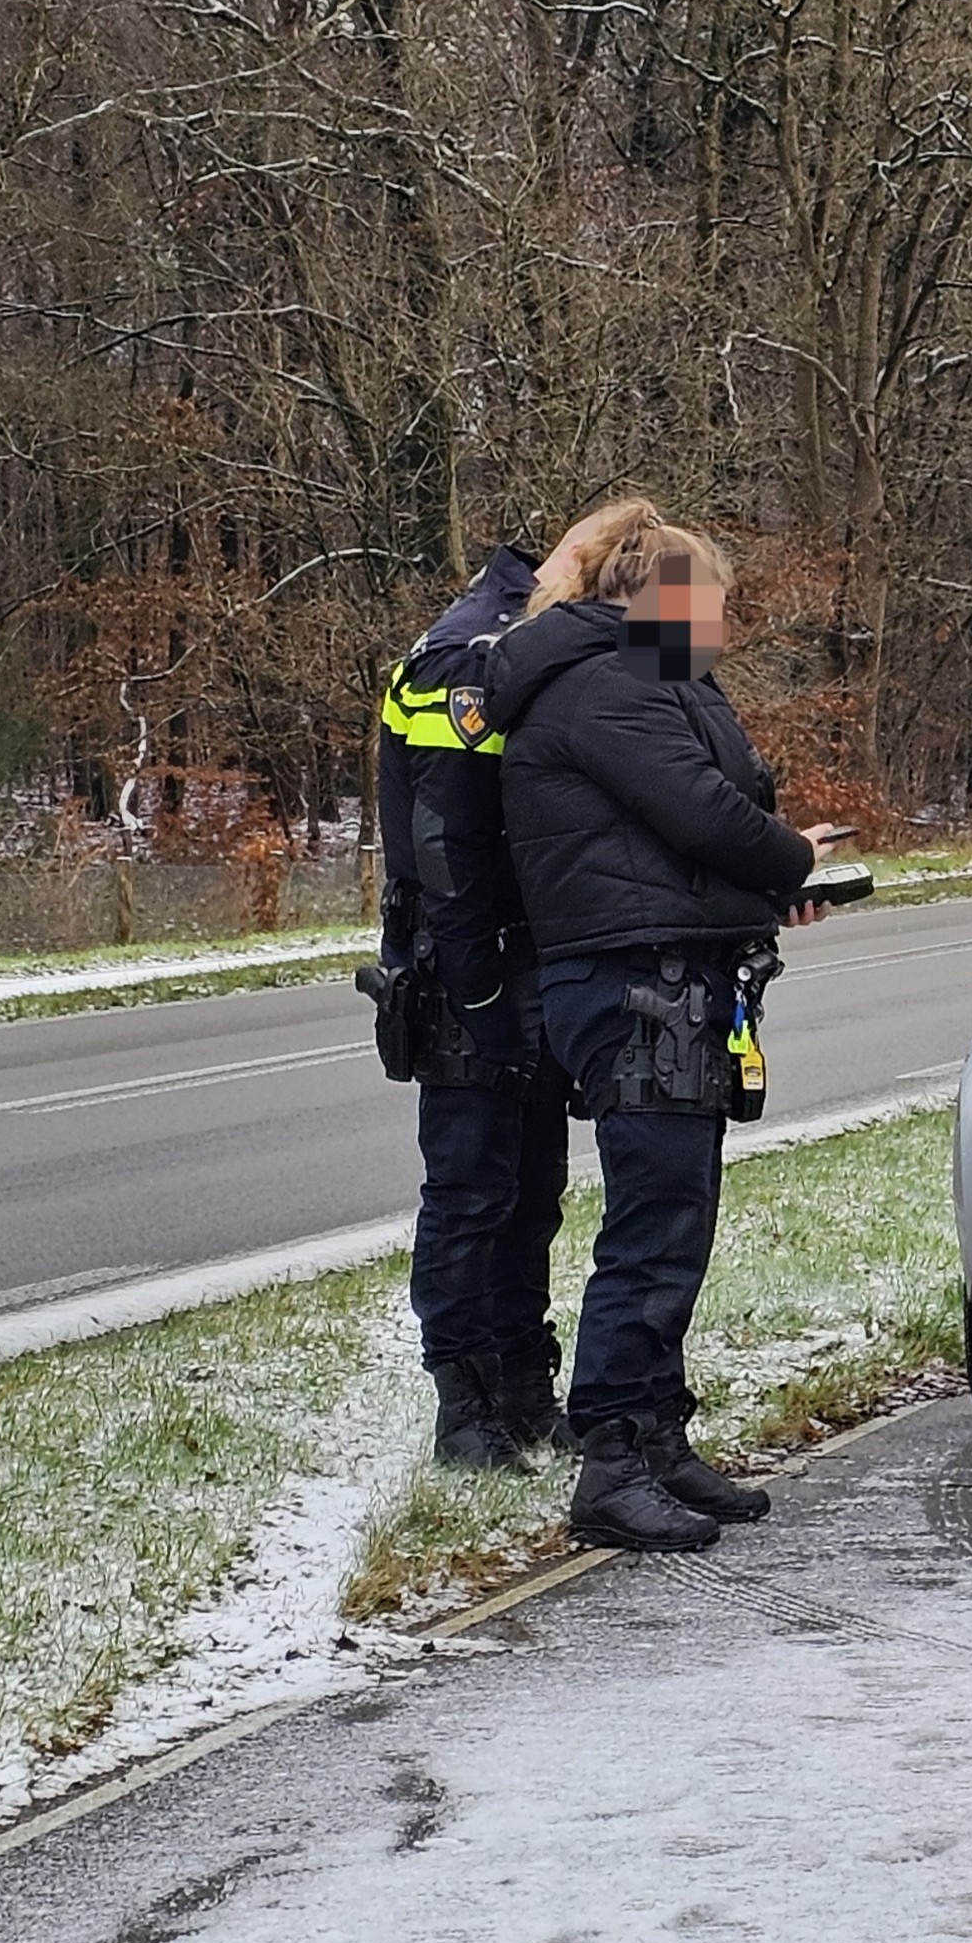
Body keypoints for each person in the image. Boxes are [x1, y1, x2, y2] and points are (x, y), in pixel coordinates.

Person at [489, 508, 829, 1552]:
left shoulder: (643, 679)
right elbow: (704, 813)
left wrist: (763, 882)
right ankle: (609, 1457)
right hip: (635, 981)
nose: (720, 616)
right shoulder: (606, 686)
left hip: (671, 971)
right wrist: (792, 860)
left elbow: (711, 817)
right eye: (708, 597)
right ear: (654, 597)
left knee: (675, 1217)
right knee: (649, 1230)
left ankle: (653, 1429)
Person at [365, 531, 570, 1471]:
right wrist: (479, 982)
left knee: (531, 1194)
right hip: (468, 966)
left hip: (521, 959)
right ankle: (463, 1402)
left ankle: (525, 1387)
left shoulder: (522, 638)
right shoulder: (467, 655)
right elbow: (446, 842)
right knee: (472, 1193)